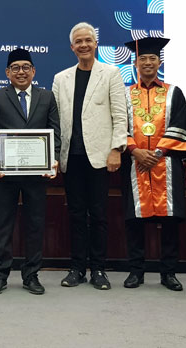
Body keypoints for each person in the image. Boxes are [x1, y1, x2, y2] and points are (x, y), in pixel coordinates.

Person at [52, 22, 127, 290]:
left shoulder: (111, 73)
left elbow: (120, 115)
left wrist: (117, 149)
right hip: (71, 157)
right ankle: (76, 268)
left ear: (96, 44)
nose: (84, 45)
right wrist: (53, 154)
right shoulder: (61, 78)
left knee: (98, 215)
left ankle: (98, 269)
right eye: (78, 41)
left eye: (88, 40)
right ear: (72, 47)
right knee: (74, 214)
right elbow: (55, 120)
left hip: (100, 157)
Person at [0, 48, 60, 295]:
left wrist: (54, 160)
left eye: (26, 67)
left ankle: (31, 275)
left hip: (37, 174)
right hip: (5, 174)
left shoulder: (46, 97)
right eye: (15, 68)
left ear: (34, 71)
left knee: (35, 225)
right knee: (2, 225)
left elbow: (54, 132)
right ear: (7, 73)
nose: (21, 72)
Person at [121, 37, 186, 292]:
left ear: (159, 62)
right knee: (135, 221)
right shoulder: (125, 93)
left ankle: (169, 272)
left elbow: (181, 125)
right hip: (134, 164)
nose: (148, 62)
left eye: (153, 58)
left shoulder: (173, 92)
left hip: (168, 165)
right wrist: (135, 150)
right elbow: (118, 125)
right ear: (136, 63)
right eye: (143, 59)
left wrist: (159, 151)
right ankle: (136, 271)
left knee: (171, 222)